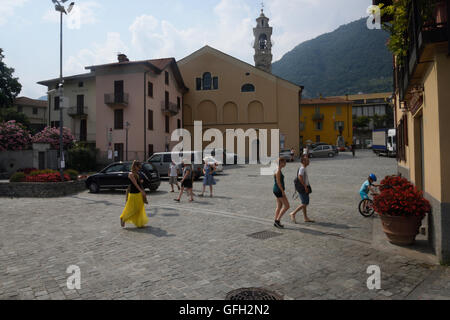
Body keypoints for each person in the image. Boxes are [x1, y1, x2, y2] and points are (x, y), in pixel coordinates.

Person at [120, 160, 149, 228]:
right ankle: (123, 218)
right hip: (133, 194)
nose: (139, 168)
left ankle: (139, 223)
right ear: (135, 166)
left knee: (140, 208)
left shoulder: (137, 173)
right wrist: (141, 191)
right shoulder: (131, 174)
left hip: (138, 193)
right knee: (132, 209)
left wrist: (141, 182)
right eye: (139, 167)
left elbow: (139, 182)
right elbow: (135, 184)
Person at [289, 155, 314, 223]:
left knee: (304, 203)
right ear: (303, 161)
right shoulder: (302, 168)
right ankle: (293, 213)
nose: (309, 161)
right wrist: (305, 186)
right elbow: (300, 177)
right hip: (303, 188)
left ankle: (305, 218)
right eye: (307, 160)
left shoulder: (303, 168)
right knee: (305, 203)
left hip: (303, 187)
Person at [273, 158, 290, 229]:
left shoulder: (276, 170)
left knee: (279, 206)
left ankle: (276, 221)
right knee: (287, 206)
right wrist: (283, 192)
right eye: (284, 162)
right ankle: (277, 220)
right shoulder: (278, 171)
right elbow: (278, 182)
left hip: (276, 190)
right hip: (279, 190)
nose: (285, 163)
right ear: (281, 163)